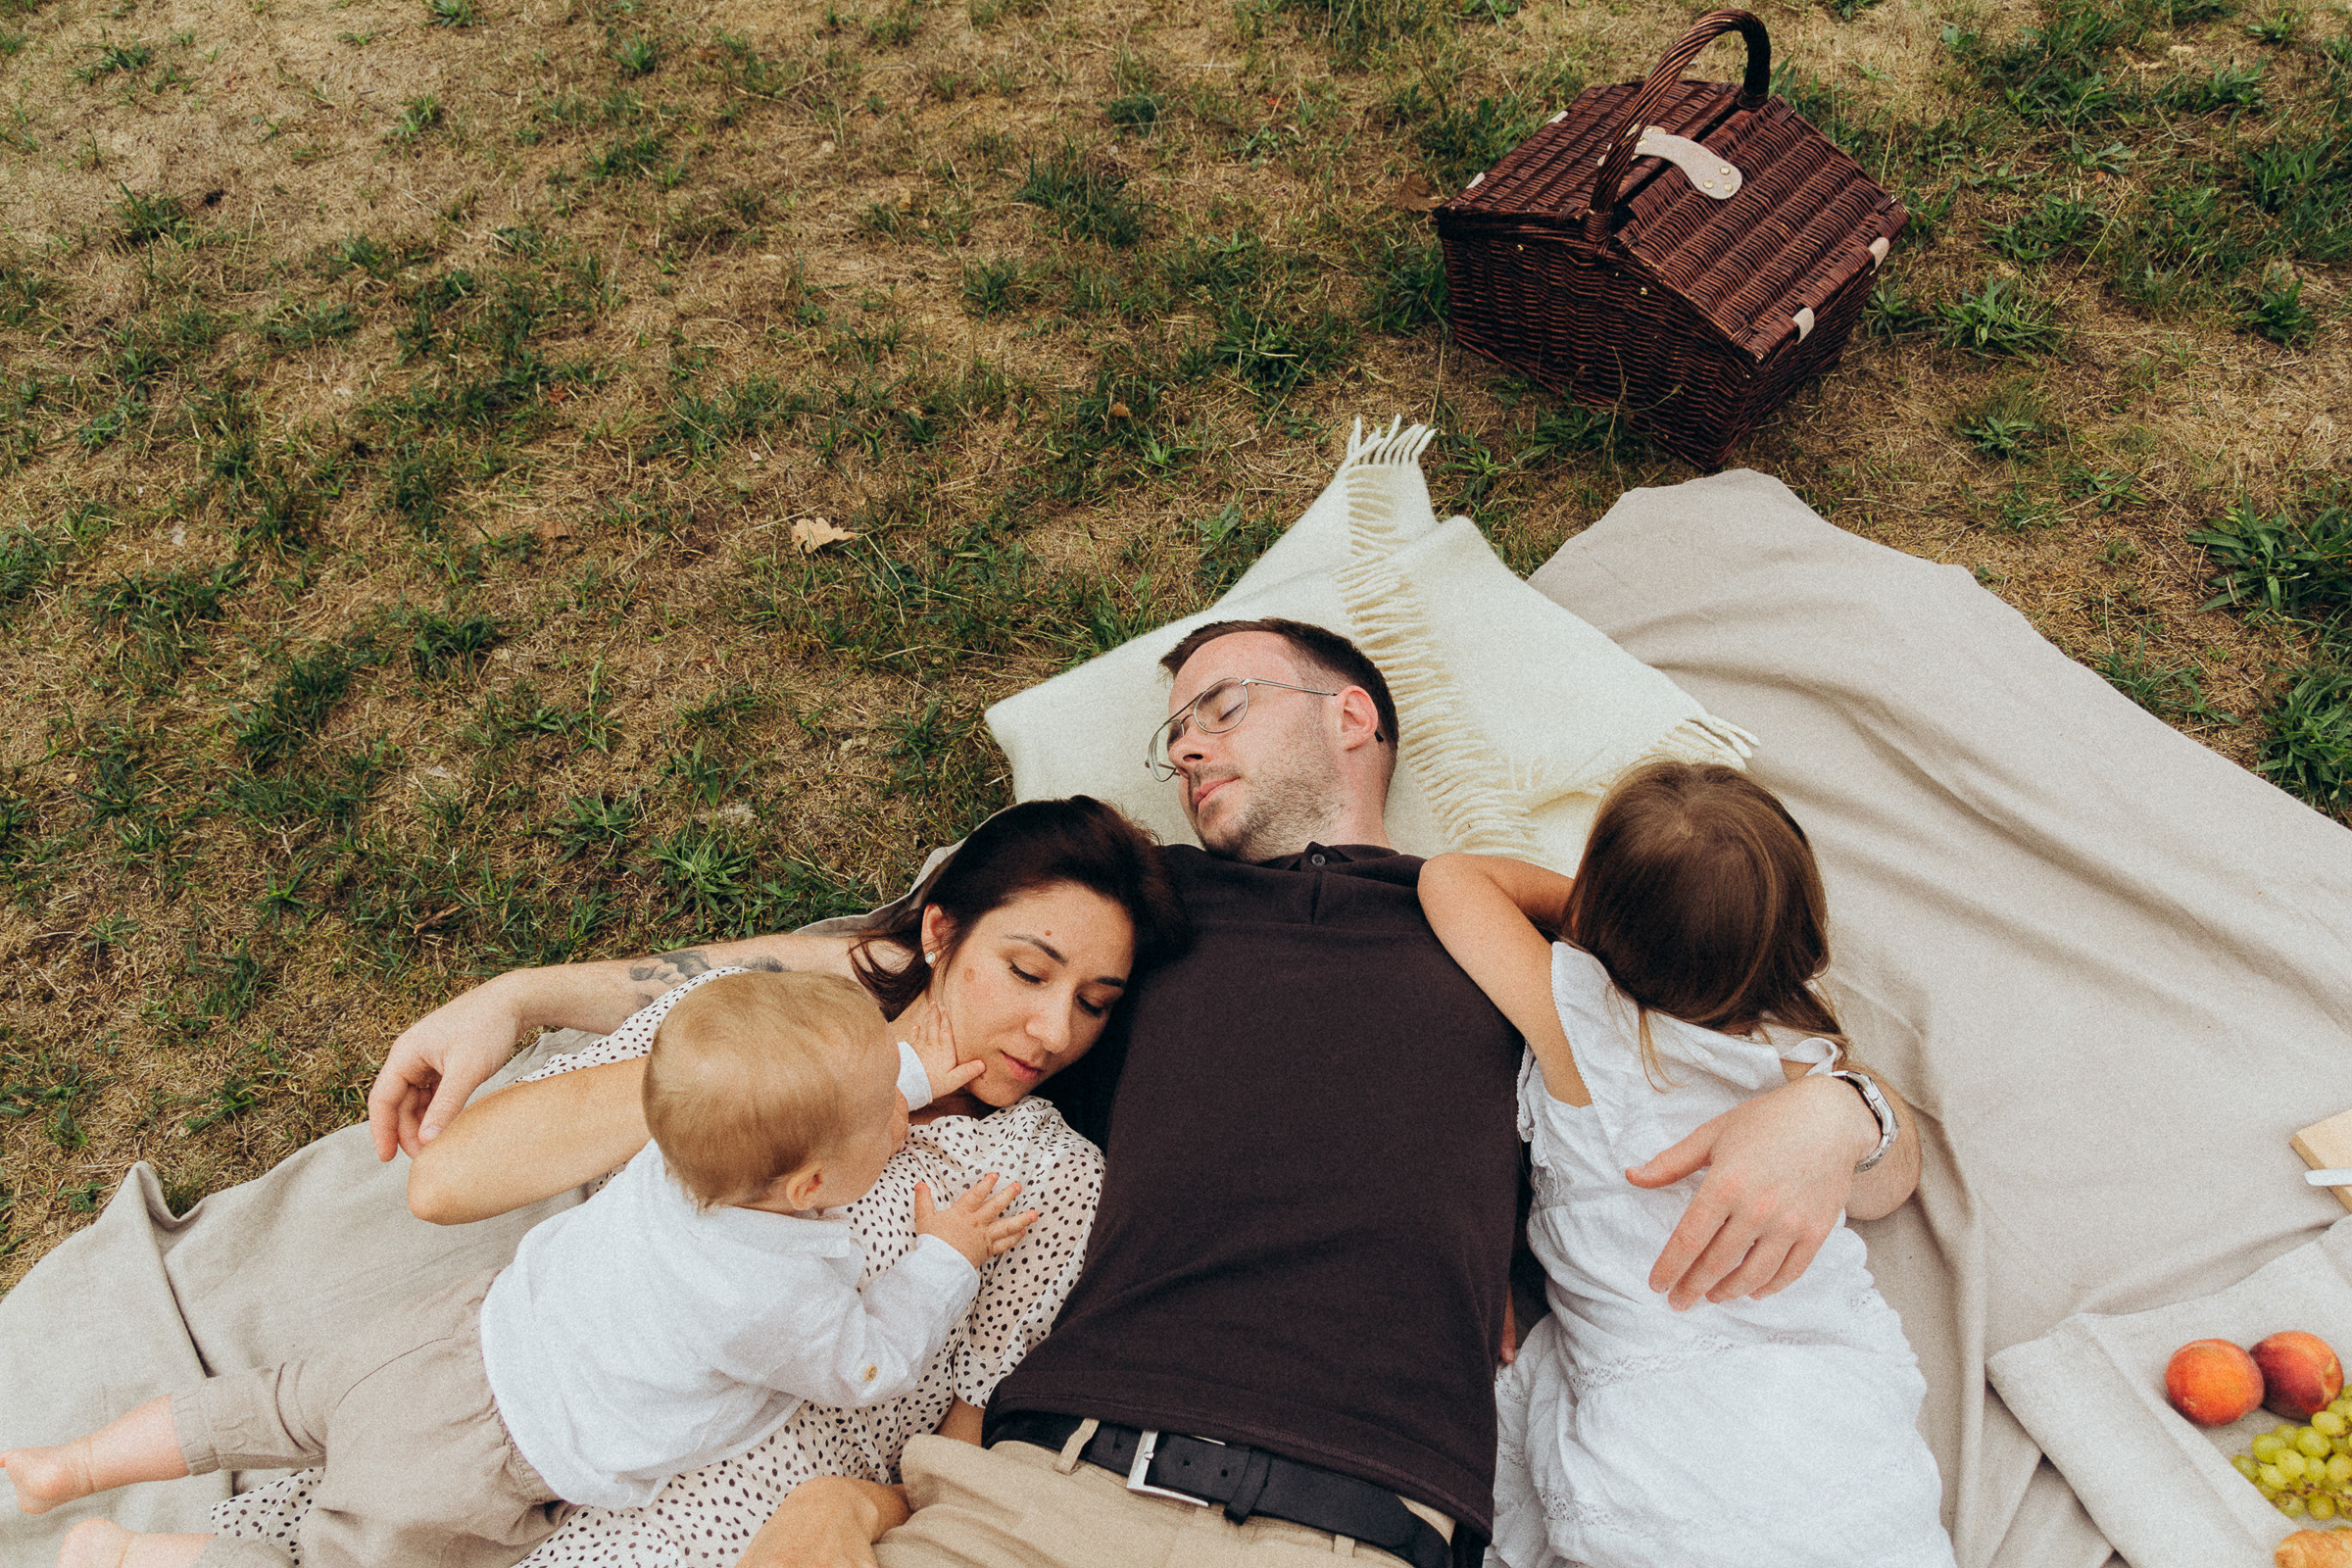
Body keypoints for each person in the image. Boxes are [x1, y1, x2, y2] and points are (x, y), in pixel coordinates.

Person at [368, 617, 1923, 1568]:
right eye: (1172, 729)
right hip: (1051, 1485)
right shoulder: (1125, 931)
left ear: (1352, 716)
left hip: (1355, 1518)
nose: (1185, 745)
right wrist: (530, 995)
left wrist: (1841, 1112)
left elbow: (1751, 1037)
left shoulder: (1525, 946)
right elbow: (844, 966)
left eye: (1223, 704)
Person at [2, 971, 1041, 1568]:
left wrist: (907, 1070)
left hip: (444, 1341)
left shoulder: (681, 1153)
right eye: (891, 1108)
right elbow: (867, 1364)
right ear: (812, 1185)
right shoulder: (773, 1294)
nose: (904, 1114)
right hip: (491, 1463)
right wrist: (945, 1256)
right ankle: (132, 1557)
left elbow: (789, 1094)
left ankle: (78, 1465)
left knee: (266, 1405)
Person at [1418, 761, 1953, 1568]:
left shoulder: (1579, 1024)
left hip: (1663, 1430)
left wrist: (1598, 920)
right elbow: (1885, 1192)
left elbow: (1451, 879)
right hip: (1828, 1404)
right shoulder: (1800, 1064)